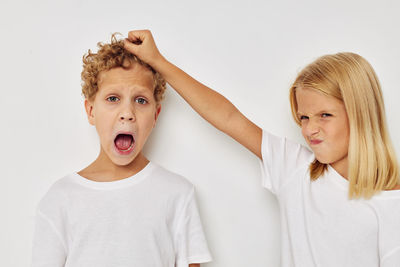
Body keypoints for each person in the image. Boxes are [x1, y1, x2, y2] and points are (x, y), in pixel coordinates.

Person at [124, 30, 400, 267]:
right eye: (303, 117)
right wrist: (157, 62)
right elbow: (228, 118)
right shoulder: (295, 169)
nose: (309, 129)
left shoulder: (392, 206)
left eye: (324, 116)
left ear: (361, 113)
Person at [31, 34, 212, 267]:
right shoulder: (59, 200)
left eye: (141, 100)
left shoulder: (178, 194)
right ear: (91, 111)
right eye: (113, 98)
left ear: (156, 116)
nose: (127, 113)